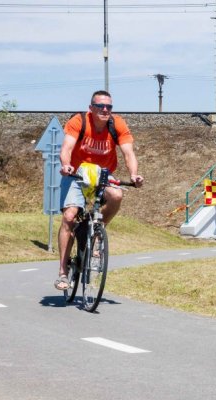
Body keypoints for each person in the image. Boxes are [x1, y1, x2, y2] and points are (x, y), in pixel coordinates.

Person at [55, 90, 143, 290]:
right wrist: (66, 165)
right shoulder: (79, 121)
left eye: (109, 107)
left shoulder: (117, 124)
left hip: (103, 174)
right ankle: (62, 272)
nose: (105, 110)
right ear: (91, 108)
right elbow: (67, 148)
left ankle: (94, 231)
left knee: (117, 195)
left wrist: (134, 175)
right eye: (100, 106)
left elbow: (128, 153)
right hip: (76, 173)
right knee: (69, 217)